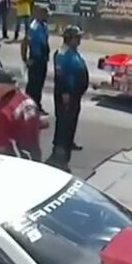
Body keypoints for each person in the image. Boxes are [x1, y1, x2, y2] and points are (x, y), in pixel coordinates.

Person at [48, 25, 89, 169]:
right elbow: (61, 75)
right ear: (69, 38)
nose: (79, 40)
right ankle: (59, 154)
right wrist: (65, 92)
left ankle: (67, 145)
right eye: (77, 38)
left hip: (75, 94)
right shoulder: (62, 54)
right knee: (64, 123)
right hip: (67, 94)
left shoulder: (73, 52)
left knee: (71, 122)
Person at [0, 70, 42, 161]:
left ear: (0, 86)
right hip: (34, 158)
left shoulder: (2, 111)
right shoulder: (28, 101)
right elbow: (40, 124)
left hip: (15, 162)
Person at [21, 5, 50, 115]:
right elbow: (25, 43)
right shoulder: (33, 28)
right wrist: (25, 59)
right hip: (35, 59)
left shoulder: (44, 26)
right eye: (46, 14)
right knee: (33, 85)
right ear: (40, 14)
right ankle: (27, 106)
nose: (47, 16)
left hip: (43, 59)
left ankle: (37, 105)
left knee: (39, 84)